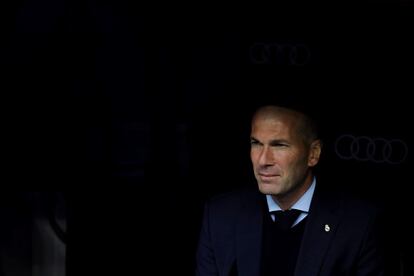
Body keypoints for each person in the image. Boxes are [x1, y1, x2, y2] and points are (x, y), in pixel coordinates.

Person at [195, 104, 394, 276]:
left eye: (279, 145)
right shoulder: (220, 216)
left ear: (313, 154)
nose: (263, 160)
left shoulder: (359, 225)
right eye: (256, 143)